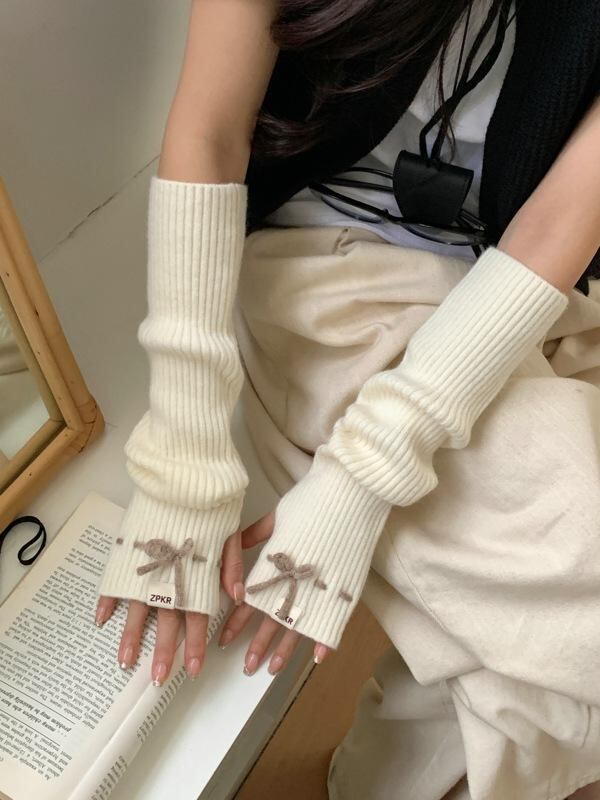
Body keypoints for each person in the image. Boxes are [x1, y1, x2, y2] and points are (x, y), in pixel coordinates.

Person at [95, 1, 600, 797]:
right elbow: (211, 131)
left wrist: (364, 475)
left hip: (521, 280)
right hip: (324, 258)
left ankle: (377, 782)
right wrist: (184, 453)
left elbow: (559, 221)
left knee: (532, 666)